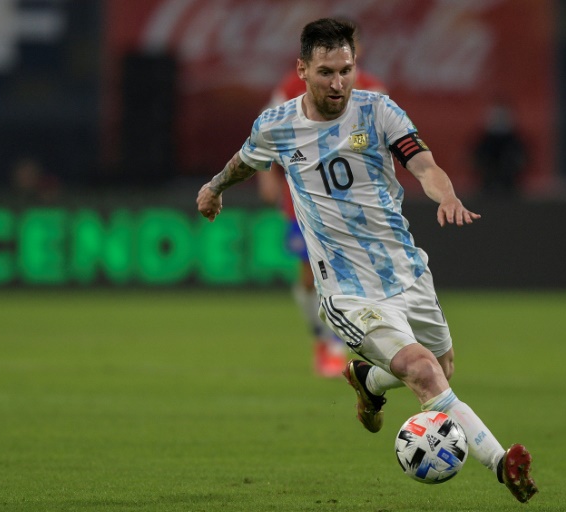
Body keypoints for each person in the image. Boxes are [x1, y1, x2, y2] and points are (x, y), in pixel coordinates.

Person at [197, 18, 538, 503]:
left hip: (406, 272)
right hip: (348, 291)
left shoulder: (379, 110)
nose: (338, 83)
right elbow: (244, 161)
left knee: (442, 365)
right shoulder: (278, 125)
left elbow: (424, 164)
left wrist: (446, 195)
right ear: (302, 70)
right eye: (326, 72)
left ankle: (368, 381)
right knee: (422, 370)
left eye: (346, 70)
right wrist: (214, 188)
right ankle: (502, 464)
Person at [257, 35, 387, 378]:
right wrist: (266, 173)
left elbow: (388, 138)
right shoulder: (292, 84)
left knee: (357, 274)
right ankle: (323, 337)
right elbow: (268, 127)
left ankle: (351, 342)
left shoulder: (372, 88)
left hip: (355, 200)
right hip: (305, 194)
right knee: (308, 276)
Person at [472, 102, 527, 196]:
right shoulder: (485, 142)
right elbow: (476, 159)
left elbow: (522, 159)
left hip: (510, 184)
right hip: (487, 185)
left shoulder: (513, 141)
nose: (499, 120)